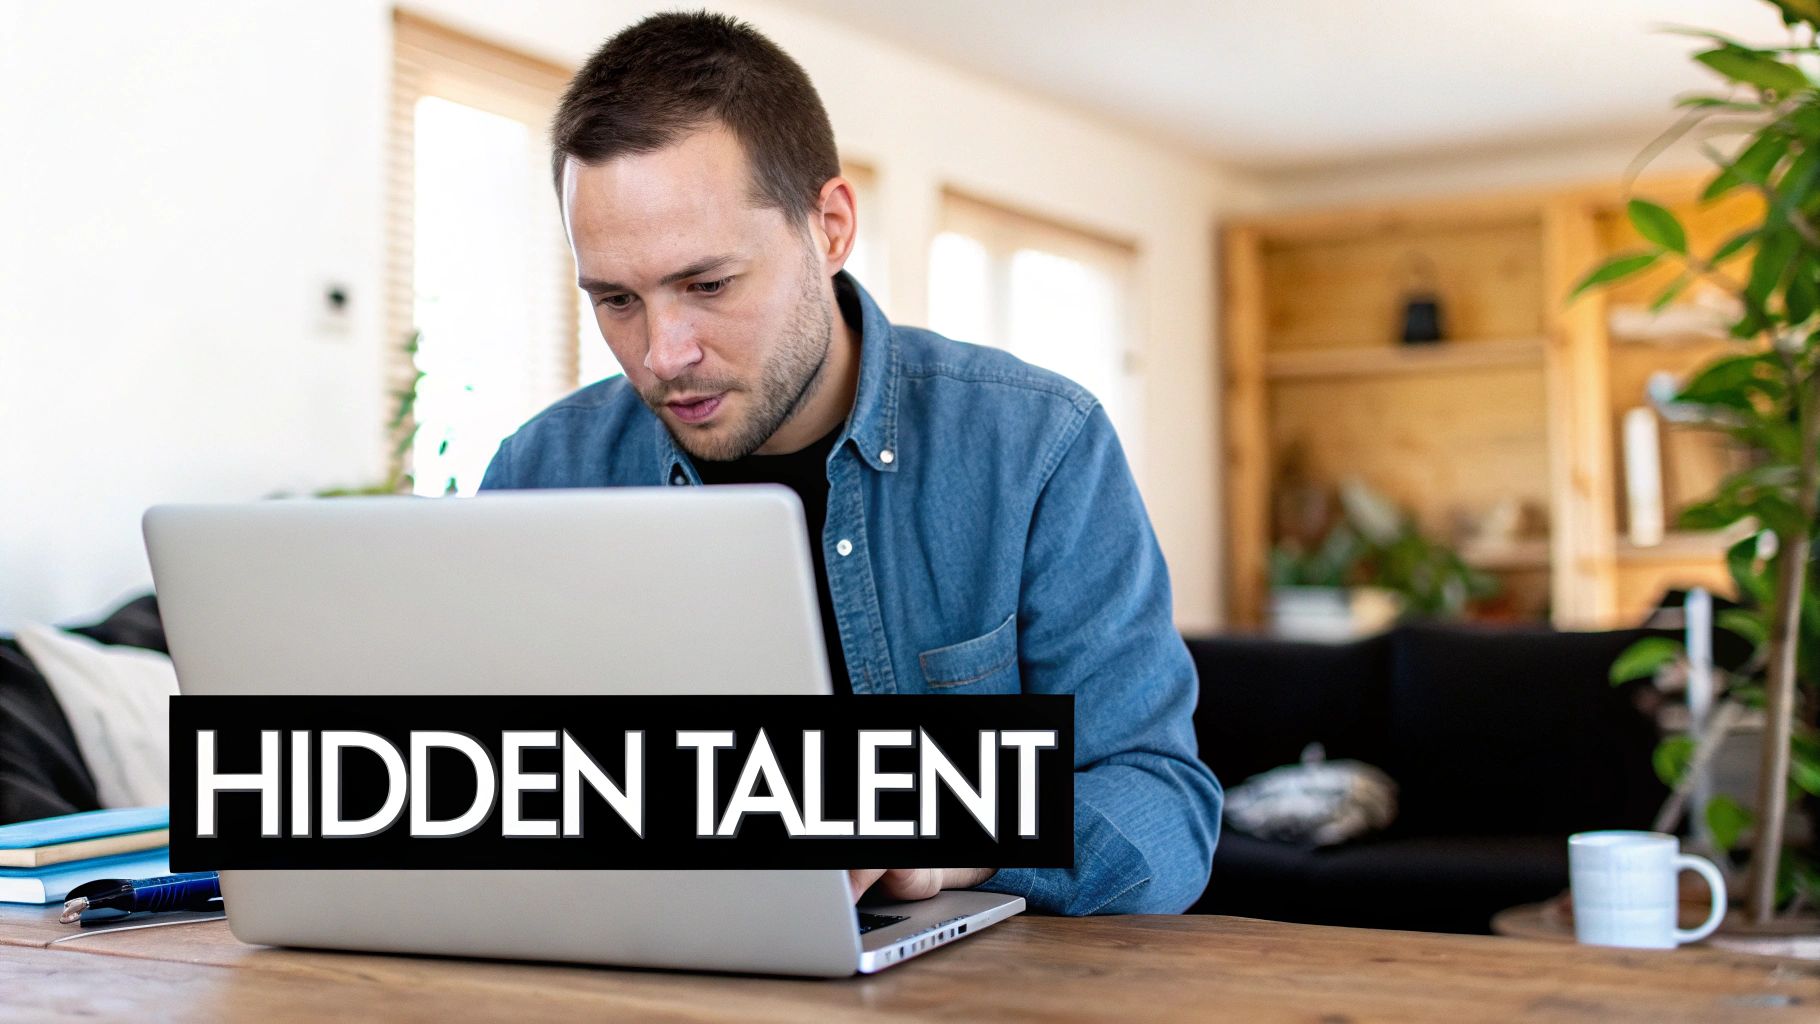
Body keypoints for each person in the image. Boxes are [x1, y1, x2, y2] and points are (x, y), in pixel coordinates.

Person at [479, 11, 1221, 915]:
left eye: (708, 285)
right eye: (616, 300)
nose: (662, 351)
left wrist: (948, 844)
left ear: (829, 227)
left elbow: (1161, 805)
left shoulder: (1037, 446)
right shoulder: (544, 470)